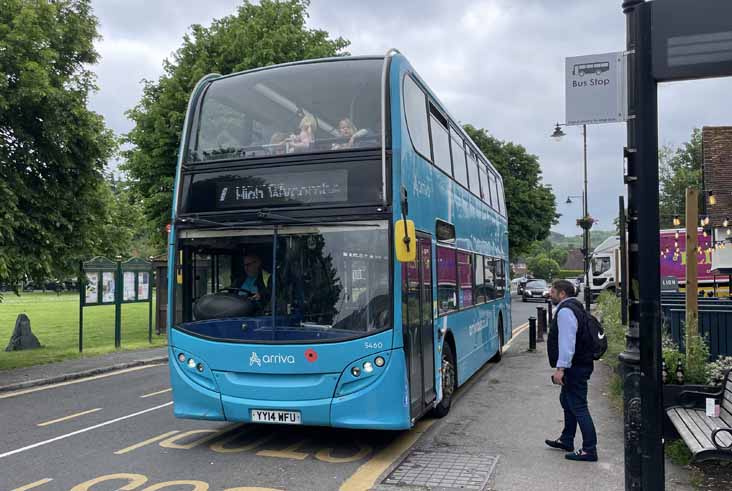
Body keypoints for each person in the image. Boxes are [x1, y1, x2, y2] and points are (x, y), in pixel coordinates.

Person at [545, 279, 598, 462]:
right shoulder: (575, 307)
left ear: (562, 294)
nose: (549, 294)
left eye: (552, 291)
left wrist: (561, 368)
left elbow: (567, 342)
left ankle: (589, 449)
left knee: (578, 406)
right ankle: (567, 439)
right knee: (566, 401)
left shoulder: (566, 311)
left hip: (574, 367)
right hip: (579, 365)